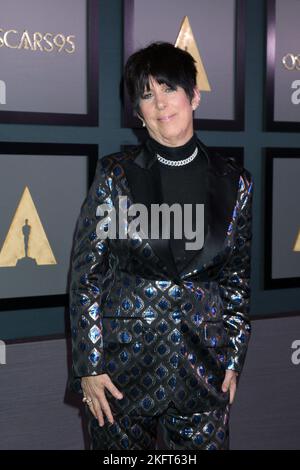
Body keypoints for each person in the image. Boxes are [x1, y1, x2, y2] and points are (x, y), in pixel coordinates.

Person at [68, 42, 254, 450]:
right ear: (137, 111)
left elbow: (237, 279)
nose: (160, 104)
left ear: (194, 96)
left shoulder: (235, 182)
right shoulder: (116, 175)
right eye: (147, 95)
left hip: (202, 370)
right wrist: (90, 365)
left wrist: (234, 355)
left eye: (169, 88)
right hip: (120, 375)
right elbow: (87, 277)